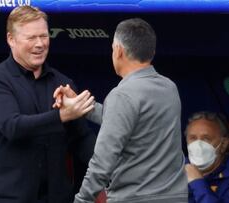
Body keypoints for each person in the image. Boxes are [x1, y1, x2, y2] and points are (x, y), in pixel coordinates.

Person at [54, 18, 188, 203]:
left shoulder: (122, 95)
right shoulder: (169, 87)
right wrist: (82, 105)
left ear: (118, 50)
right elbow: (131, 121)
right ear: (152, 52)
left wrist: (82, 200)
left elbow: (102, 162)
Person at [0, 6, 97, 203]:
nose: (40, 44)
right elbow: (13, 127)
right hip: (2, 198)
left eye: (44, 36)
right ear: (11, 39)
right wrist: (61, 116)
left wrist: (114, 164)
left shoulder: (63, 84)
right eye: (31, 38)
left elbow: (81, 139)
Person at [185, 111, 229, 203]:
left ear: (223, 144)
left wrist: (197, 183)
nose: (198, 145)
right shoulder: (176, 170)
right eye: (193, 138)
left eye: (206, 139)